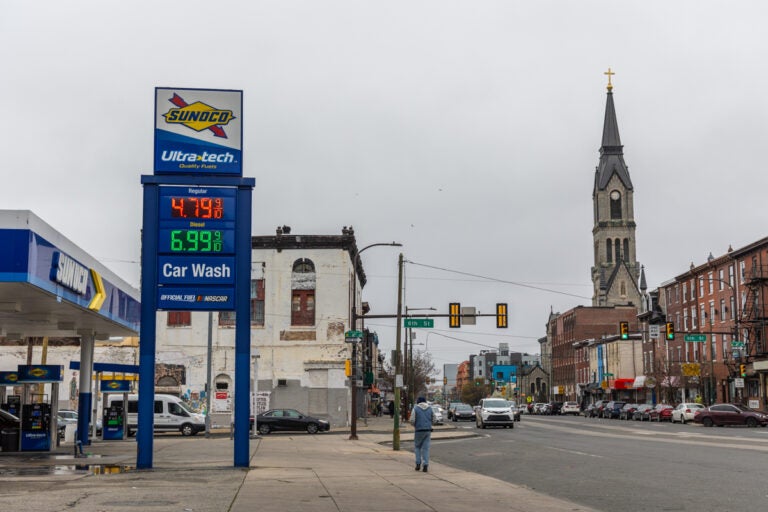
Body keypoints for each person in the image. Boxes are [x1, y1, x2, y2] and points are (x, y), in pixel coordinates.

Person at [409, 396, 434, 472]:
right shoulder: (430, 408)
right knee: (426, 448)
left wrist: (415, 425)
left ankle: (418, 464)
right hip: (427, 430)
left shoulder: (415, 408)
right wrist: (429, 423)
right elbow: (434, 418)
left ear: (418, 402)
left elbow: (412, 420)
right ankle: (425, 465)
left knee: (417, 447)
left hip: (419, 430)